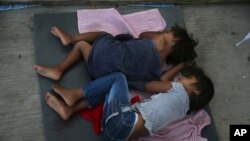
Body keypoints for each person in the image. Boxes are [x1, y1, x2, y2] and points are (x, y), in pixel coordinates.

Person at [45, 64, 214, 141]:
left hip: (121, 122)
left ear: (195, 90)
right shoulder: (182, 112)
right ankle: (69, 110)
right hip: (115, 135)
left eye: (187, 78)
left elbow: (152, 84)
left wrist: (179, 65)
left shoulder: (179, 90)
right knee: (110, 92)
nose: (181, 77)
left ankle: (74, 94)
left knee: (118, 78)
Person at [34, 25, 198, 90]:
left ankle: (71, 40)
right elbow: (163, 80)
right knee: (84, 48)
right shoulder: (155, 70)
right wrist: (181, 64)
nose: (162, 35)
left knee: (99, 37)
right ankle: (58, 70)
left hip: (103, 55)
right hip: (101, 77)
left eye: (164, 36)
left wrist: (160, 34)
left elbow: (141, 34)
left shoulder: (151, 41)